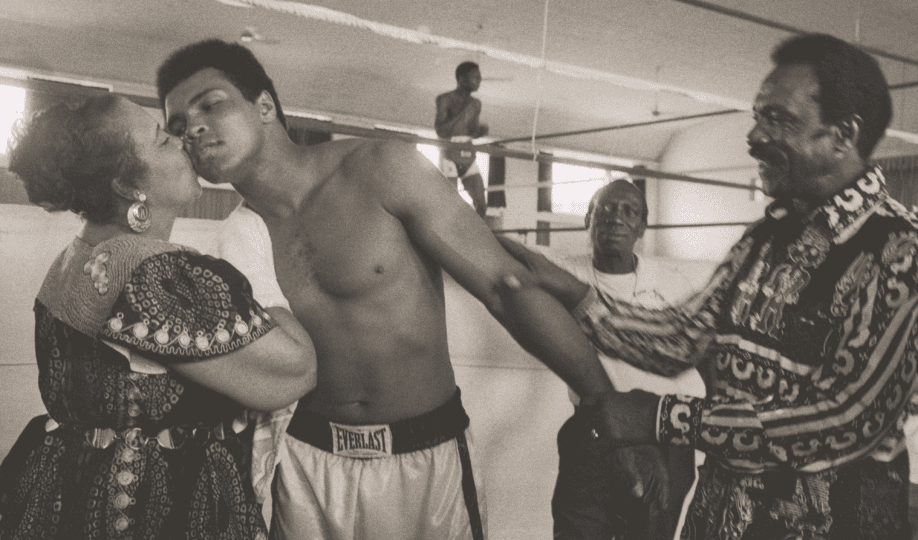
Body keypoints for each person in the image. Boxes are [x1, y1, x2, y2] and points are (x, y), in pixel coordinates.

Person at [156, 39, 617, 540]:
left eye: (211, 103)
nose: (193, 128)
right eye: (178, 126)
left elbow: (507, 288)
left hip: (426, 461)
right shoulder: (236, 239)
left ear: (264, 106)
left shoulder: (382, 168)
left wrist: (609, 409)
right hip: (308, 463)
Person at [498, 33, 917, 539]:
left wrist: (663, 419)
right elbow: (684, 336)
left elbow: (844, 421)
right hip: (721, 517)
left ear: (843, 134)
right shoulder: (767, 236)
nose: (755, 137)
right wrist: (569, 289)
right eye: (757, 116)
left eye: (778, 119)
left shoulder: (897, 249)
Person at [0, 94, 317, 539]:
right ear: (128, 187)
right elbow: (296, 369)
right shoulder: (155, 272)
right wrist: (258, 266)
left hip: (63, 492)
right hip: (153, 507)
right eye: (162, 140)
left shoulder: (75, 256)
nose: (183, 140)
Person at [539, 179, 707, 540]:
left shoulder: (672, 283)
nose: (616, 217)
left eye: (630, 210)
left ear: (642, 227)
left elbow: (706, 353)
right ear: (588, 218)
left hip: (665, 434)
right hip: (592, 429)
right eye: (606, 208)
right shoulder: (563, 274)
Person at [435, 61, 489, 217]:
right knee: (449, 203)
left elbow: (471, 131)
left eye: (480, 77)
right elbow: (441, 131)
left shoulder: (476, 104)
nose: (479, 80)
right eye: (475, 76)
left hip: (468, 151)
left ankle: (473, 237)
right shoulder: (445, 99)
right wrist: (462, 113)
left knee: (481, 204)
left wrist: (480, 132)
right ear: (462, 78)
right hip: (449, 152)